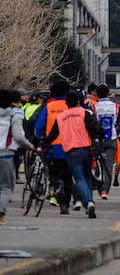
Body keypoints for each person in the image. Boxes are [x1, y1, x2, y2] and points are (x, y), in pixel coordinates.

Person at [43, 92, 103, 218]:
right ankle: (89, 203)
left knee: (79, 178)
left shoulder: (61, 117)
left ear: (66, 103)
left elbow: (53, 135)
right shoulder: (84, 113)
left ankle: (89, 203)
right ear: (78, 102)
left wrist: (43, 144)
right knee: (87, 176)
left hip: (71, 151)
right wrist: (98, 137)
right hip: (86, 149)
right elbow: (96, 127)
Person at [35, 80, 71, 212]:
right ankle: (65, 203)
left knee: (54, 173)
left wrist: (41, 139)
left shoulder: (49, 107)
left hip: (53, 148)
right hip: (69, 147)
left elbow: (39, 127)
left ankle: (56, 189)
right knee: (68, 175)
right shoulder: (71, 106)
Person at [0, 89, 35, 225]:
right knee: (6, 187)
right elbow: (18, 136)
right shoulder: (14, 115)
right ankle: (0, 212)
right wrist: (29, 145)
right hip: (5, 154)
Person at [94, 84, 120, 199]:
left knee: (97, 163)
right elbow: (116, 121)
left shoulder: (95, 106)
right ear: (108, 93)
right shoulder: (115, 106)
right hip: (112, 137)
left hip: (98, 138)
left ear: (97, 94)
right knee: (109, 165)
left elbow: (93, 121)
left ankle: (98, 186)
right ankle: (105, 190)